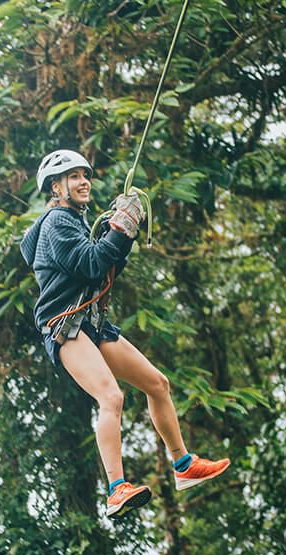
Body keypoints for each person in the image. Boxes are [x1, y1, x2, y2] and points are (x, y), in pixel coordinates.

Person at [20, 149, 230, 518]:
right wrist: (119, 230)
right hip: (64, 326)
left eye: (85, 175)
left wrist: (121, 229)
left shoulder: (72, 222)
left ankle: (183, 466)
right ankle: (117, 489)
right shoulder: (57, 222)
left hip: (90, 322)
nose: (84, 181)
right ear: (56, 187)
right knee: (111, 397)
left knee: (157, 384)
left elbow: (105, 265)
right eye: (73, 177)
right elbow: (90, 264)